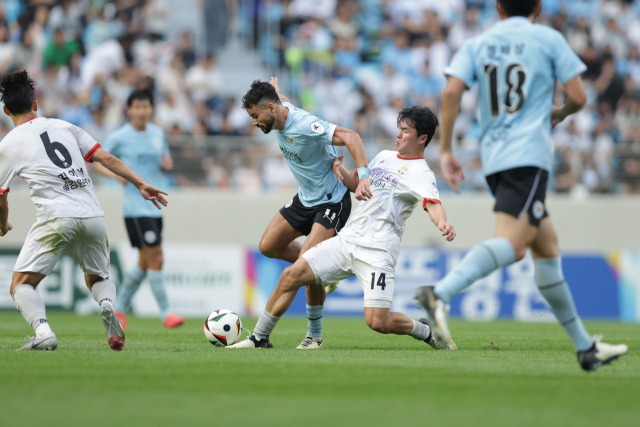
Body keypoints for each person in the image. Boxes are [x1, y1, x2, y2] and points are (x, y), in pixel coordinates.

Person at [414, 0, 628, 371]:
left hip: (496, 158)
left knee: (546, 247)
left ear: (497, 7)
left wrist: (446, 150)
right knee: (513, 245)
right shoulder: (547, 38)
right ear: (539, 6)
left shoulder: (479, 42)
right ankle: (439, 293)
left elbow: (450, 93)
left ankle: (584, 348)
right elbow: (578, 96)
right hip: (528, 157)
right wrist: (560, 114)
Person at [228, 106, 457, 350]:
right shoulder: (383, 157)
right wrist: (342, 172)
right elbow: (358, 184)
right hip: (347, 240)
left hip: (378, 251)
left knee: (378, 322)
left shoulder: (421, 173)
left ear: (422, 138)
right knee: (290, 275)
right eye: (399, 129)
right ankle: (259, 339)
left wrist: (442, 222)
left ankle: (426, 330)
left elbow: (433, 205)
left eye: (406, 131)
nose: (398, 135)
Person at [0, 70, 168, 351]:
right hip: (92, 215)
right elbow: (107, 157)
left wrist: (3, 224)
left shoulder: (8, 144)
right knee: (98, 279)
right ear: (36, 104)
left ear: (6, 110)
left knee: (20, 285)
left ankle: (44, 332)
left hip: (56, 216)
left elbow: (1, 197)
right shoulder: (65, 126)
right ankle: (106, 304)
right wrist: (141, 183)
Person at [242, 78, 372, 349]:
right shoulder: (279, 111)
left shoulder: (304, 125)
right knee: (268, 246)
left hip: (331, 201)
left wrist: (364, 176)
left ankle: (307, 337)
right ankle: (325, 264)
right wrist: (277, 91)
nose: (254, 122)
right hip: (305, 198)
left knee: (304, 267)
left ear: (270, 109)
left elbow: (352, 137)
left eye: (255, 116)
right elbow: (282, 101)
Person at [95, 89, 184, 329]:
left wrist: (167, 165)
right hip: (135, 209)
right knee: (157, 258)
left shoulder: (157, 133)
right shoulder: (120, 136)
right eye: (138, 107)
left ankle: (119, 309)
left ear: (151, 109)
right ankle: (167, 314)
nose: (143, 111)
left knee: (144, 263)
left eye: (146, 106)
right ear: (129, 110)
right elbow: (95, 160)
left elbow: (164, 163)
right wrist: (115, 177)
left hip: (156, 207)